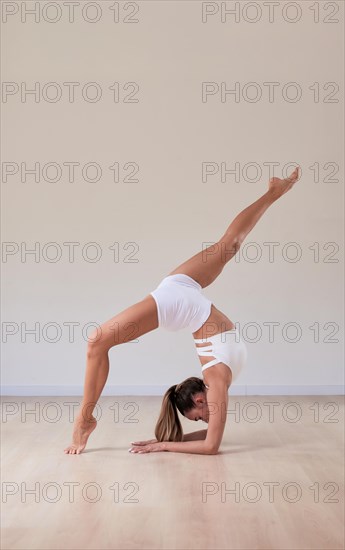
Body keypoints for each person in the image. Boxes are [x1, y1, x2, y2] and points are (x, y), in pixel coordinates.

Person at [64, 166, 300, 455]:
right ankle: (275, 192)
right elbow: (212, 442)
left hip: (180, 302)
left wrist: (163, 445)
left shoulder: (215, 384)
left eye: (198, 417)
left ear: (199, 401)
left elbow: (210, 445)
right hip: (183, 295)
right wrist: (169, 442)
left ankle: (84, 419)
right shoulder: (216, 384)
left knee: (97, 342)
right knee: (229, 245)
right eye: (198, 420)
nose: (203, 420)